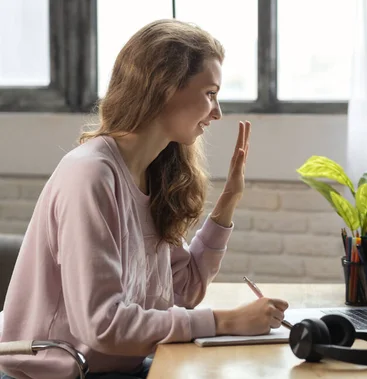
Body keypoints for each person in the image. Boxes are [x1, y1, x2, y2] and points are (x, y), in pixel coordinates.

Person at [0, 19, 288, 379]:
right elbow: (102, 325)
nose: (217, 113)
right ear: (166, 88)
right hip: (56, 374)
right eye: (210, 93)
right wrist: (225, 321)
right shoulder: (90, 175)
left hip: (117, 368)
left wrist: (228, 201)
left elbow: (183, 290)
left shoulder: (153, 174)